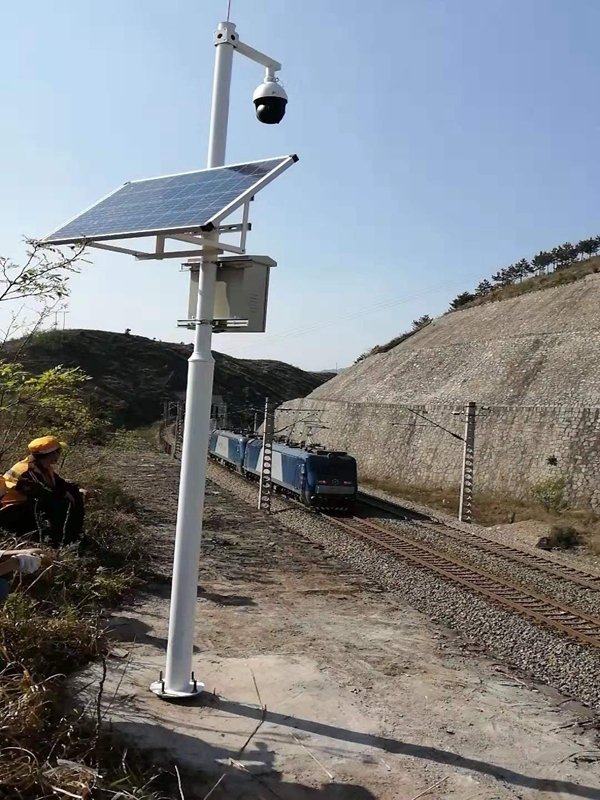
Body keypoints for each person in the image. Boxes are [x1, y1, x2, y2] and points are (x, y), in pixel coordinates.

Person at [0, 436, 85, 548]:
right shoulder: (27, 471)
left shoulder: (42, 466)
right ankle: (63, 540)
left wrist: (76, 489)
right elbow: (43, 493)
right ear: (52, 454)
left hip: (25, 507)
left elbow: (59, 483)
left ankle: (74, 534)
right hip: (10, 513)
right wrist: (64, 494)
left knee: (73, 493)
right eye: (58, 451)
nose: (59, 454)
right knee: (59, 503)